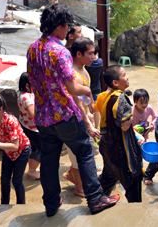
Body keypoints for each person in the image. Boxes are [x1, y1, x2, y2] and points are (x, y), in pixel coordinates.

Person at [26, 4, 119, 216]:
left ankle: (51, 204)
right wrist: (88, 90)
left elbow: (32, 80)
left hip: (43, 116)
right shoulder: (60, 51)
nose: (67, 30)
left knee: (49, 159)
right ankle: (95, 199)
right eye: (66, 26)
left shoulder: (32, 49)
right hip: (64, 114)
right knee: (85, 152)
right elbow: (72, 87)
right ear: (59, 26)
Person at [96, 65, 143, 202]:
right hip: (118, 149)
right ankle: (135, 207)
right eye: (124, 75)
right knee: (133, 178)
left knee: (109, 174)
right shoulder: (122, 99)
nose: (127, 77)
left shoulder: (106, 95)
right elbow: (124, 126)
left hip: (106, 144)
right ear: (115, 83)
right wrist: (131, 119)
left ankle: (97, 197)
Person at [63, 37, 100, 197]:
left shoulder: (84, 70)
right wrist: (88, 122)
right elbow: (76, 101)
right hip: (74, 119)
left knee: (89, 152)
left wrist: (91, 114)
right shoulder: (72, 74)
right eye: (90, 54)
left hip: (84, 117)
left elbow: (87, 98)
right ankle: (79, 188)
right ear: (79, 54)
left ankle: (72, 175)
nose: (94, 57)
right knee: (79, 156)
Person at [0, 93, 31, 205]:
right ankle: (4, 204)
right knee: (4, 180)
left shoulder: (11, 121)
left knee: (16, 181)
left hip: (22, 151)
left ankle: (21, 205)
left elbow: (15, 146)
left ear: (0, 109)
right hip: (8, 152)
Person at [17, 72, 41, 180]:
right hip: (33, 128)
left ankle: (32, 169)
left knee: (34, 148)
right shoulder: (27, 98)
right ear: (27, 85)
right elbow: (33, 114)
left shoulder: (21, 94)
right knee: (39, 150)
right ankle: (32, 171)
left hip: (25, 125)